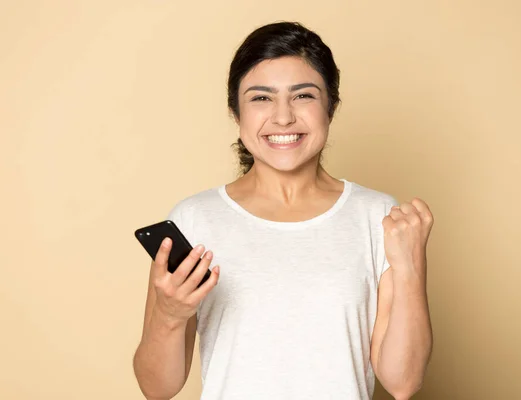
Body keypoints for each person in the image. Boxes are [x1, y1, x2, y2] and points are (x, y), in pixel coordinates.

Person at [133, 21, 434, 400]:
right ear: (235, 112)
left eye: (303, 96)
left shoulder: (379, 216)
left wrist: (410, 269)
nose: (283, 117)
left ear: (332, 106)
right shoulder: (195, 219)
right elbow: (156, 388)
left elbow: (403, 383)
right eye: (261, 98)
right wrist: (170, 315)